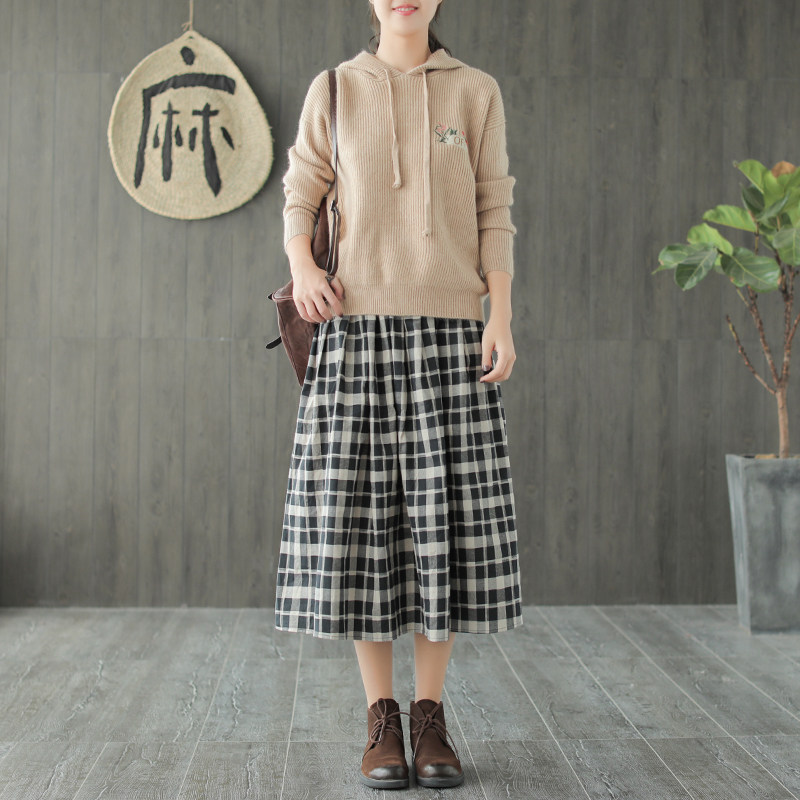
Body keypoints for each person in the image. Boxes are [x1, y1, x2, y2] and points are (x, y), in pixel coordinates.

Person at [275, 0, 523, 789]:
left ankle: (430, 715)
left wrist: (500, 316)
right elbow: (300, 191)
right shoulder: (335, 88)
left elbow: (494, 208)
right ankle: (380, 717)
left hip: (452, 335)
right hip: (355, 333)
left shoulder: (475, 91)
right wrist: (304, 268)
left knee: (442, 528)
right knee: (363, 532)